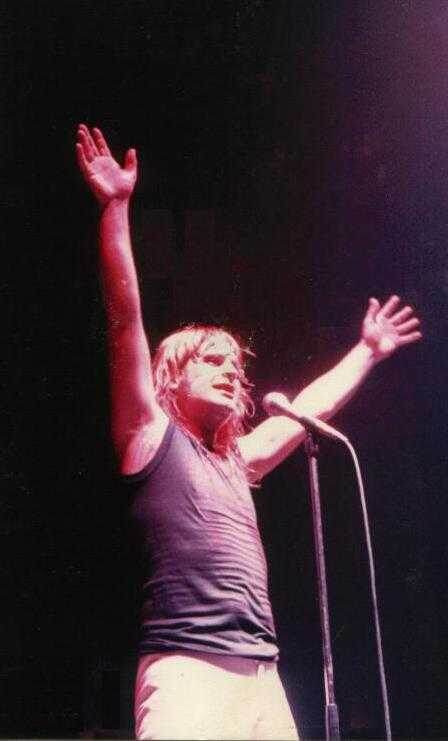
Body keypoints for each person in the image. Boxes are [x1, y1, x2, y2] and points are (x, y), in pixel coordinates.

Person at [76, 124, 422, 740]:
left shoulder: (237, 460)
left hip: (263, 676)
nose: (231, 371)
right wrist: (116, 210)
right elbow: (125, 317)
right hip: (189, 673)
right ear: (171, 376)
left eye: (236, 365)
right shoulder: (150, 436)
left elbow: (309, 407)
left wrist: (367, 351)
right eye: (212, 360)